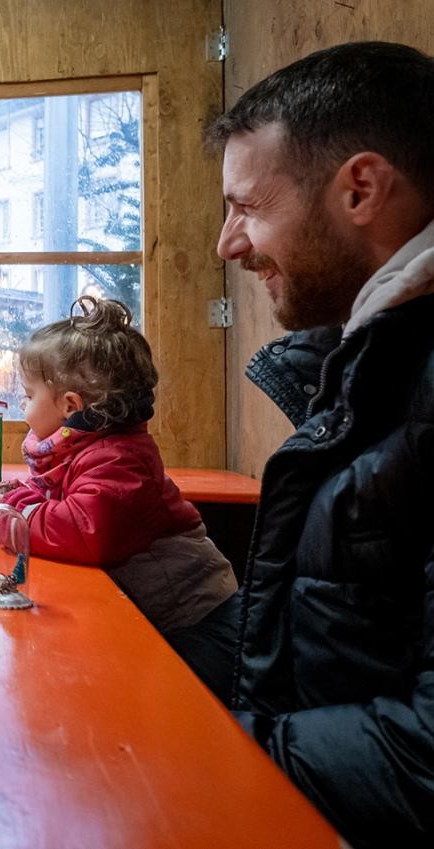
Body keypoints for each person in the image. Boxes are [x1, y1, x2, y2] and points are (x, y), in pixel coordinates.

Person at [206, 41, 434, 847]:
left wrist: (210, 752)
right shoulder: (364, 357)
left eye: (247, 206)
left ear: (360, 189)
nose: (228, 244)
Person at [0, 297, 237, 692]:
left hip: (196, 621)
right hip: (157, 611)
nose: (23, 405)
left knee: (175, 702)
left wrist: (15, 516)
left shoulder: (119, 458)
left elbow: (84, 531)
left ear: (70, 405)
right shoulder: (84, 449)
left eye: (28, 395)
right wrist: (19, 495)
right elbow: (58, 494)